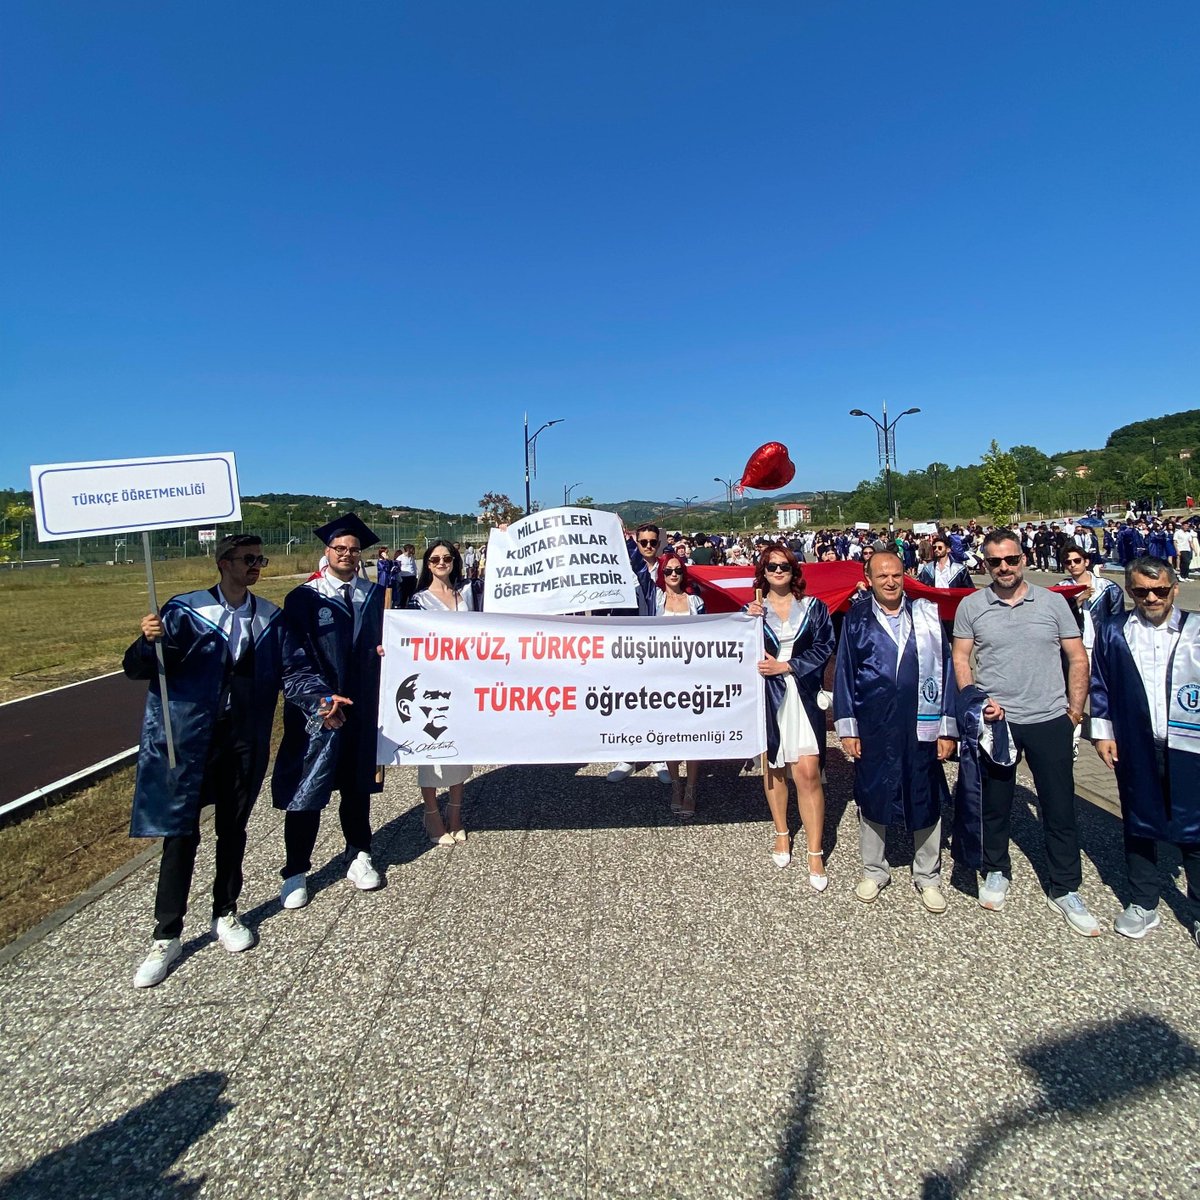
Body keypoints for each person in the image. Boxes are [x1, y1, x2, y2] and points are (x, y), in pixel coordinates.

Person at [125, 535, 286, 988]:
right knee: (181, 834)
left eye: (260, 559)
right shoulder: (184, 611)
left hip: (243, 738)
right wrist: (145, 642)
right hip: (191, 737)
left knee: (233, 828)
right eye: (248, 559)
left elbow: (290, 669)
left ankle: (226, 912)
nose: (256, 566)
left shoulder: (270, 617)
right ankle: (167, 934)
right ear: (224, 563)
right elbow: (138, 668)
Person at [952, 529, 1098, 935]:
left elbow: (1076, 657)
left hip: (1050, 717)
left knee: (1059, 807)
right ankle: (996, 868)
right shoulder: (972, 606)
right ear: (985, 563)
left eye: (1011, 559)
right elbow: (961, 659)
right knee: (996, 803)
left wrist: (1074, 712)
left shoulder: (1052, 603)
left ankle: (1065, 886)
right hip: (1000, 721)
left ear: (1024, 559)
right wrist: (976, 701)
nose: (1004, 568)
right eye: (995, 561)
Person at [272, 513, 387, 909]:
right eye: (340, 548)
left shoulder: (372, 596)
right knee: (308, 790)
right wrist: (321, 701)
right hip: (316, 713)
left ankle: (358, 853)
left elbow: (382, 646)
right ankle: (296, 871)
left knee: (357, 788)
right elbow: (292, 660)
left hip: (361, 707)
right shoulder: (304, 598)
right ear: (328, 551)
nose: (348, 555)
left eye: (354, 550)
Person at [834, 551, 958, 912]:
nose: (890, 581)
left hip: (922, 720)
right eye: (882, 575)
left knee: (925, 789)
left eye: (896, 574)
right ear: (869, 578)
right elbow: (845, 672)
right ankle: (874, 869)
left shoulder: (926, 616)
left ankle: (928, 875)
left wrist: (948, 729)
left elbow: (947, 670)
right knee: (873, 791)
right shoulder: (856, 618)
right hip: (875, 722)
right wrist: (848, 727)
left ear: (905, 575)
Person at [1090, 556, 1200, 945]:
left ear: (1174, 589)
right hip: (1136, 739)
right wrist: (1102, 733)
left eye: (1159, 590)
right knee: (1138, 819)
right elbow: (1099, 682)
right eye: (1140, 591)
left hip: (1190, 743)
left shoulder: (1196, 630)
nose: (1150, 597)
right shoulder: (1114, 630)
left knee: (1195, 824)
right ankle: (1143, 901)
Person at [746, 544, 834, 891]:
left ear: (794, 570)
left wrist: (789, 665)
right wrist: (747, 622)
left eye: (784, 566)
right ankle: (782, 832)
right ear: (763, 572)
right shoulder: (753, 611)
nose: (778, 571)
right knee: (775, 769)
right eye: (771, 567)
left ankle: (815, 850)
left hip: (803, 695)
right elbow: (739, 651)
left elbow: (825, 645)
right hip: (769, 697)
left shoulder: (814, 608)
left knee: (808, 772)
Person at [409, 540, 475, 844]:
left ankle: (456, 813)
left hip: (464, 681)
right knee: (433, 750)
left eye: (447, 557)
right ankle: (432, 814)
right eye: (435, 558)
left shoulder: (468, 593)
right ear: (427, 562)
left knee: (461, 749)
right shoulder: (418, 599)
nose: (441, 562)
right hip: (432, 685)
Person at [607, 523, 670, 785]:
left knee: (659, 699)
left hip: (663, 645)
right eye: (642, 542)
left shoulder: (671, 569)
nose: (647, 547)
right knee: (630, 698)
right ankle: (629, 754)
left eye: (652, 542)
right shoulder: (624, 570)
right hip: (630, 644)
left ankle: (659, 755)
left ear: (659, 543)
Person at [655, 552, 705, 816]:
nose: (673, 575)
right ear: (661, 574)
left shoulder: (695, 601)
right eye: (668, 571)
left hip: (691, 674)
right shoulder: (654, 600)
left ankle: (692, 788)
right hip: (662, 677)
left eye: (677, 570)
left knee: (693, 733)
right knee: (670, 734)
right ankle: (676, 785)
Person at [394, 544, 418, 608]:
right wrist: (400, 579)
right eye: (412, 549)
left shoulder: (412, 557)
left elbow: (414, 566)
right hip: (404, 578)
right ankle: (401, 606)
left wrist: (416, 576)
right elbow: (397, 569)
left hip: (412, 577)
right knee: (403, 594)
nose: (413, 551)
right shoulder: (400, 558)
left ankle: (411, 606)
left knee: (411, 593)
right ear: (408, 549)